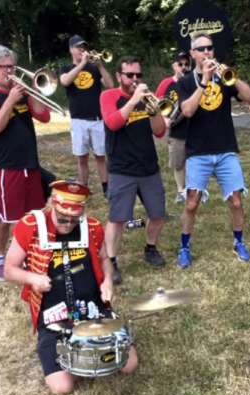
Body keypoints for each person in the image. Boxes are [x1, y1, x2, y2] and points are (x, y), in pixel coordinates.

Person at [4, 180, 138, 395]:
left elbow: (105, 259)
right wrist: (32, 278)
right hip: (53, 315)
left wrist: (107, 281)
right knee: (62, 387)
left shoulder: (92, 227)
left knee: (129, 365)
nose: (68, 224)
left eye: (74, 220)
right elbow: (9, 270)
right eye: (63, 218)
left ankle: (93, 341)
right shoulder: (30, 226)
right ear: (52, 207)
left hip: (92, 308)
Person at [174, 32, 250, 268]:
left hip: (225, 148)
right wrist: (204, 81)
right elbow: (187, 110)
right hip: (198, 151)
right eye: (201, 49)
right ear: (193, 54)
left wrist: (229, 75)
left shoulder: (224, 77)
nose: (206, 52)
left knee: (236, 201)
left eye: (209, 48)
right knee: (192, 203)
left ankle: (238, 243)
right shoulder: (185, 82)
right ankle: (184, 247)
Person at [0, 45, 51, 282]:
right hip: (5, 165)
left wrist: (33, 91)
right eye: (4, 67)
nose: (9, 71)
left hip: (29, 162)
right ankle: (0, 258)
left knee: (35, 214)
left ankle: (32, 256)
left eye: (12, 66)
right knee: (6, 218)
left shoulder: (21, 91)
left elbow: (44, 116)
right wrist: (10, 99)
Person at [100, 56, 168, 282]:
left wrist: (154, 111)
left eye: (138, 75)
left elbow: (159, 132)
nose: (135, 79)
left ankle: (150, 248)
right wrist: (133, 100)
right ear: (119, 76)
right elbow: (112, 123)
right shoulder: (108, 96)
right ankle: (111, 260)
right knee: (118, 219)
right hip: (122, 168)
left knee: (157, 214)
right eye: (129, 75)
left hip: (148, 166)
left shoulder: (147, 99)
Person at [59, 35, 114, 195]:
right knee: (81, 158)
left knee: (100, 156)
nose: (82, 49)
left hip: (97, 119)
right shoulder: (66, 68)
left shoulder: (95, 68)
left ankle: (106, 188)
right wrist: (82, 64)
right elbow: (65, 81)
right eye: (78, 47)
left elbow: (110, 86)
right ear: (71, 49)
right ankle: (83, 188)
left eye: (83, 46)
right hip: (78, 120)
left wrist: (101, 66)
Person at [155, 50, 191, 203]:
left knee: (195, 162)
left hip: (193, 127)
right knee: (178, 162)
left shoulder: (193, 81)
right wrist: (164, 119)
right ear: (173, 66)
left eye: (186, 64)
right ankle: (180, 191)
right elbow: (156, 103)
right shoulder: (166, 83)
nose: (183, 67)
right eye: (180, 64)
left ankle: (194, 189)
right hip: (176, 130)